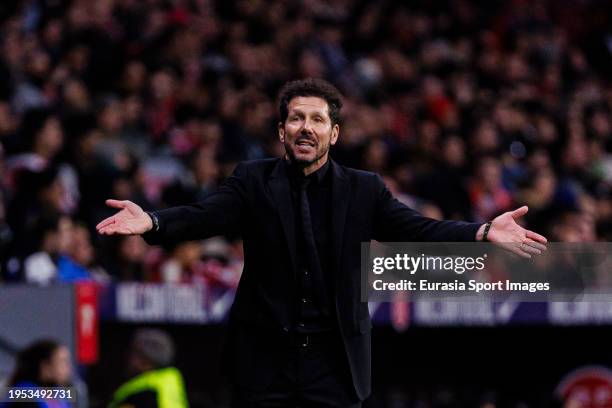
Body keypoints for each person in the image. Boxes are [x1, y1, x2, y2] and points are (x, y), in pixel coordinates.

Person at [97, 78, 547, 407]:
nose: (305, 127)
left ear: (334, 133)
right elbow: (203, 217)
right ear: (281, 131)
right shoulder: (252, 181)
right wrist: (152, 221)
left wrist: (483, 231)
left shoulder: (364, 189)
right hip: (264, 364)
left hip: (335, 366)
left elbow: (416, 228)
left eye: (317, 119)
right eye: (296, 118)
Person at [108, 329, 188, 408]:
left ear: (145, 361)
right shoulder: (168, 385)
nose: (126, 357)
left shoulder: (144, 395)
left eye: (133, 353)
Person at [1, 339, 72, 408]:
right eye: (63, 362)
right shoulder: (24, 395)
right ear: (45, 367)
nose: (68, 368)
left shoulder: (58, 394)